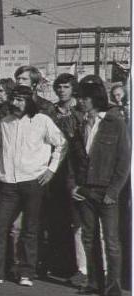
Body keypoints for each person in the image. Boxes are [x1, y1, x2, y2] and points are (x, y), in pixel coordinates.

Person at [0, 85, 66, 286]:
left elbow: (61, 143)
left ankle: (26, 274)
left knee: (30, 229)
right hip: (8, 184)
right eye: (14, 99)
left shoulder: (42, 121)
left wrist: (51, 170)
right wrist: (0, 170)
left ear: (29, 101)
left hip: (33, 181)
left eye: (21, 99)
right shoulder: (5, 122)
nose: (16, 103)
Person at [70, 82, 130, 296]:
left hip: (107, 191)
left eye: (84, 98)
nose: (80, 102)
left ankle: (113, 286)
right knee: (89, 237)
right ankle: (94, 281)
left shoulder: (115, 123)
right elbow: (74, 160)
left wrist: (113, 191)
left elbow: (124, 161)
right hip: (85, 190)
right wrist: (74, 186)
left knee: (111, 240)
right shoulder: (82, 124)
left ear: (94, 99)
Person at [49, 73, 87, 284]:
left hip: (76, 169)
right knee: (59, 219)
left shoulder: (81, 111)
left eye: (66, 87)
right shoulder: (52, 111)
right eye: (59, 87)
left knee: (78, 221)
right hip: (55, 170)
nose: (62, 90)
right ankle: (62, 264)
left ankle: (81, 267)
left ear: (73, 89)